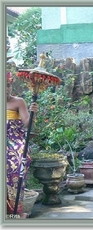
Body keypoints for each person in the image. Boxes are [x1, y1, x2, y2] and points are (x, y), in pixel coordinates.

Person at [6, 71, 39, 218]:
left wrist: (33, 113)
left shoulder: (18, 102)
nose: (6, 89)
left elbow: (28, 123)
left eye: (8, 85)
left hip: (15, 144)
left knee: (16, 162)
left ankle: (14, 211)